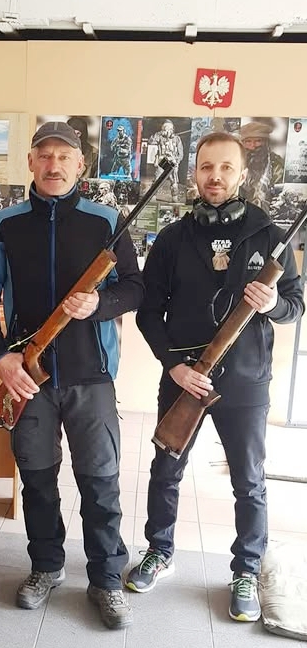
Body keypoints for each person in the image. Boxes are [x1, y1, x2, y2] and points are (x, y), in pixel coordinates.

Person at [0, 121, 144, 629]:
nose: (53, 165)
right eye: (44, 155)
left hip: (93, 377)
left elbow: (136, 288)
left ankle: (106, 579)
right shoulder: (4, 224)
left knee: (101, 484)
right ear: (30, 163)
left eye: (64, 156)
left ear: (79, 164)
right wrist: (0, 357)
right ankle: (46, 566)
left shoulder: (106, 221)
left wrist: (100, 304)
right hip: (28, 377)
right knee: (38, 481)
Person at [125, 131, 304, 622]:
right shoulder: (172, 239)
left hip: (245, 381)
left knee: (249, 481)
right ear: (195, 173)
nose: (216, 176)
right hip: (183, 377)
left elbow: (294, 305)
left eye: (226, 167)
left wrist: (274, 303)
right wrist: (175, 366)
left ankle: (245, 569)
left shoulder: (271, 236)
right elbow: (148, 313)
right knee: (165, 471)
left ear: (242, 173)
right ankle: (159, 551)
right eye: (207, 167)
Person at [238, 121, 285, 214]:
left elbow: (279, 189)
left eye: (258, 141)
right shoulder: (235, 161)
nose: (253, 146)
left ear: (265, 142)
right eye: (248, 141)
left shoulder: (276, 163)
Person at [149, 119, 184, 201]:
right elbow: (150, 142)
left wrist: (177, 161)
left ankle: (174, 197)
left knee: (174, 181)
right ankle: (153, 196)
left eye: (169, 128)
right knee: (157, 179)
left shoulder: (177, 139)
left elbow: (181, 153)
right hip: (162, 161)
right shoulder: (159, 137)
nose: (167, 130)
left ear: (172, 129)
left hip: (173, 162)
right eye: (165, 127)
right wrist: (158, 134)